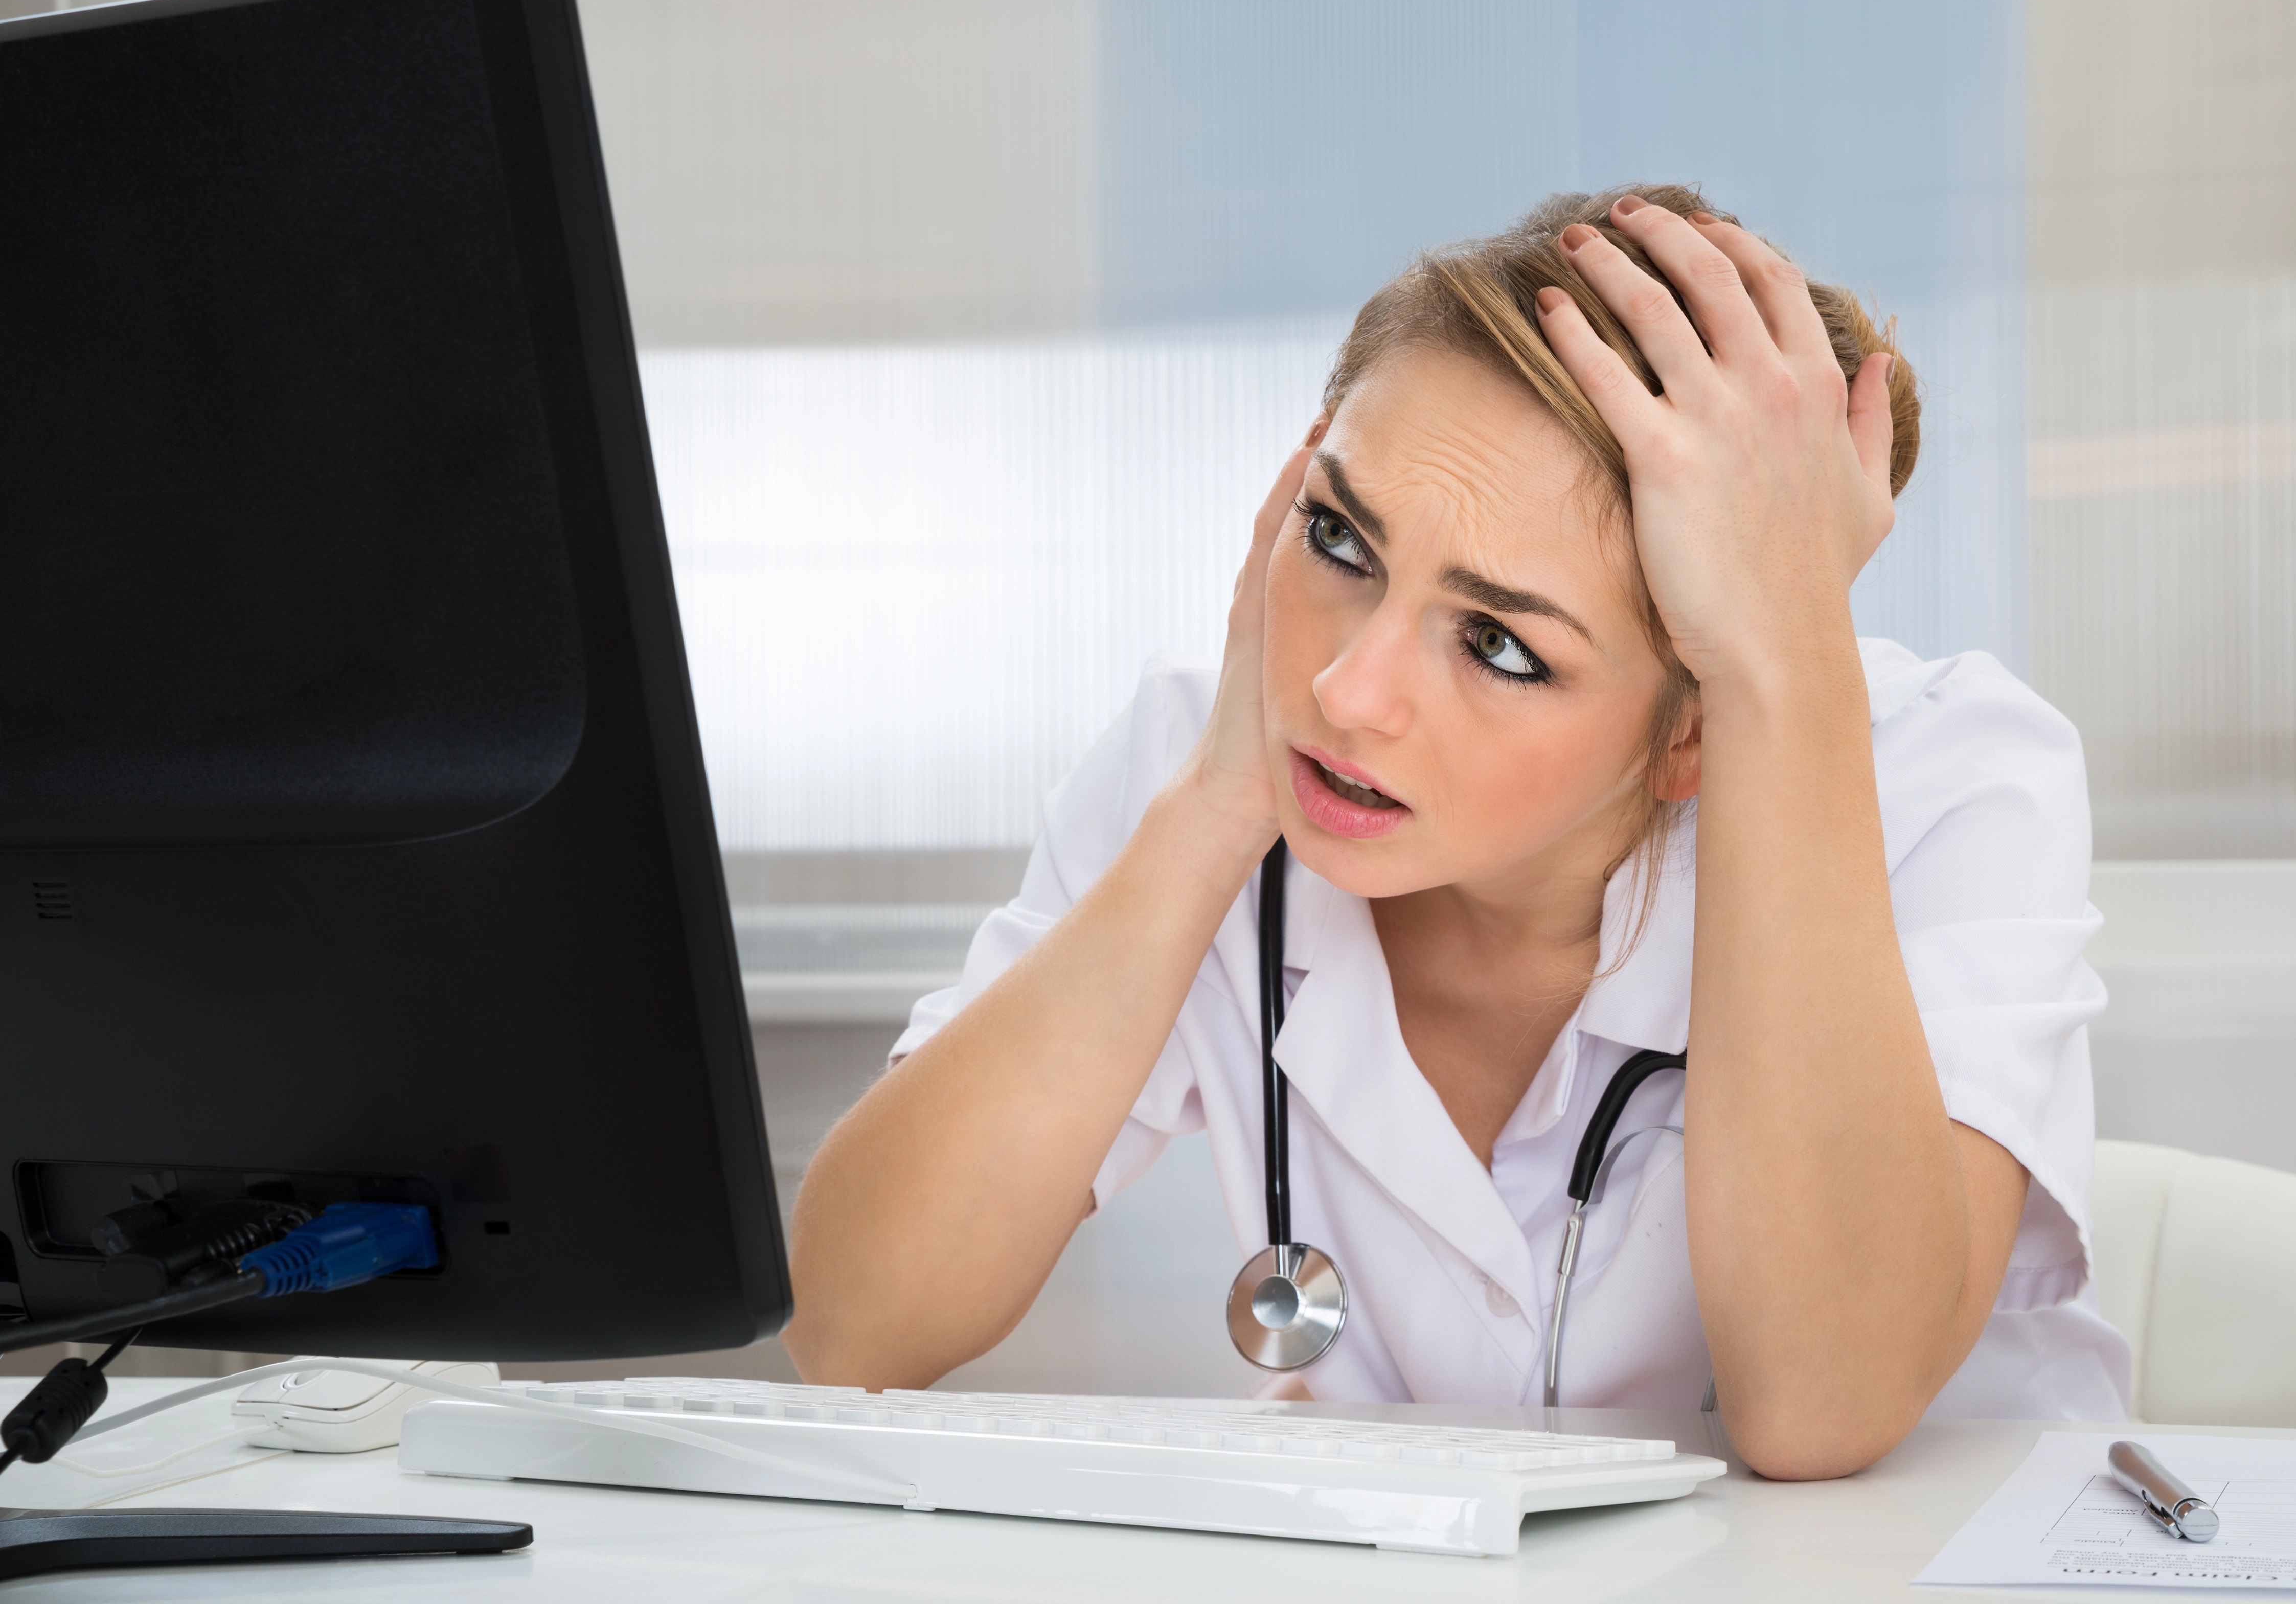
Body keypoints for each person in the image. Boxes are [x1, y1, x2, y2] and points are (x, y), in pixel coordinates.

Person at [784, 185, 2127, 1479]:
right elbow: (854, 1322)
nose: (1346, 691)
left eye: (1496, 642)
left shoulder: (1947, 784)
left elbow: (1817, 1408)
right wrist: (1214, 810)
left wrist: (1779, 675)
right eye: (1340, 541)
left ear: (1690, 729)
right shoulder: (1210, 756)